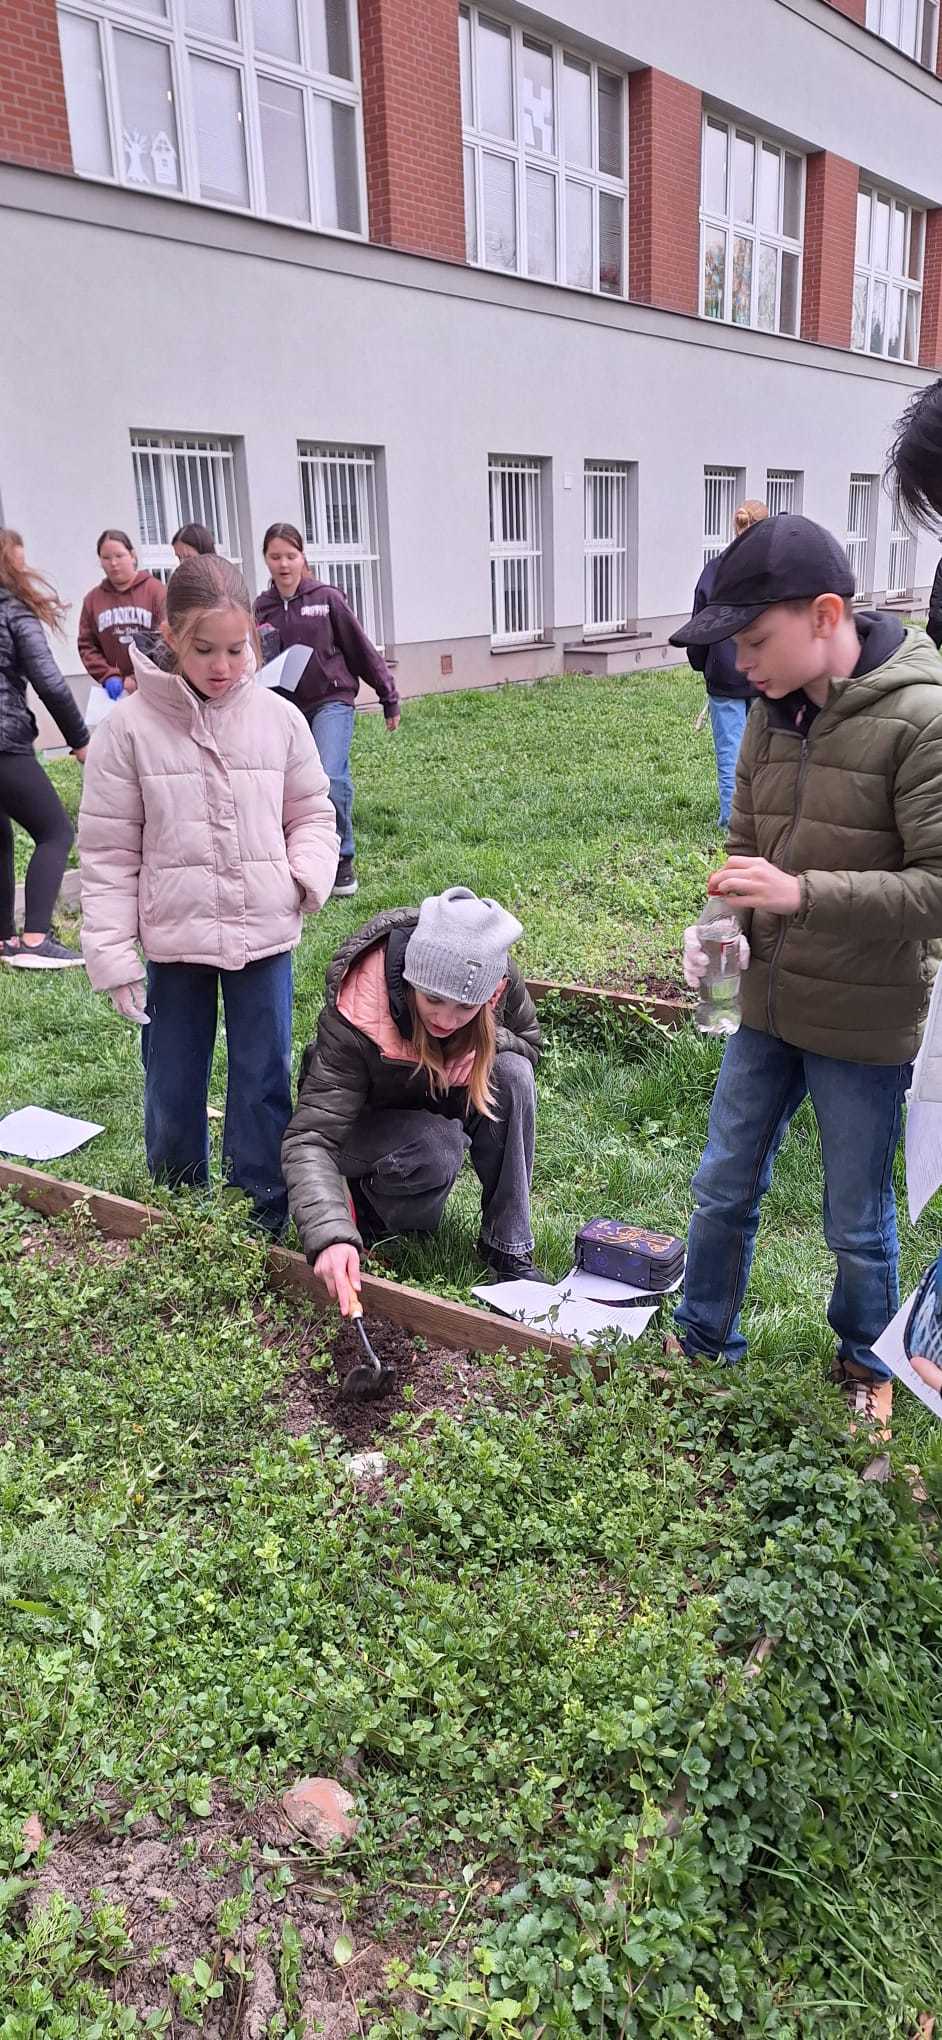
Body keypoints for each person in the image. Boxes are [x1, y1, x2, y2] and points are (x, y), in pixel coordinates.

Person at [668, 512, 942, 1433]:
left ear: (826, 615)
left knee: (855, 1219)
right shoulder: (770, 719)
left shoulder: (921, 717)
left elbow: (938, 890)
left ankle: (866, 1363)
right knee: (721, 1183)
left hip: (864, 1024)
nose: (740, 664)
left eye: (754, 640)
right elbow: (745, 850)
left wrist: (802, 894)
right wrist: (722, 923)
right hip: (766, 1007)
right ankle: (700, 1339)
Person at [77, 554, 339, 1234]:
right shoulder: (127, 730)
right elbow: (108, 852)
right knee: (172, 1078)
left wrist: (303, 875)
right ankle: (176, 1205)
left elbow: (313, 810)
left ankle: (262, 1208)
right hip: (175, 936)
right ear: (170, 634)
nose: (222, 666)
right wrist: (110, 952)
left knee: (263, 1076)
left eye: (235, 649)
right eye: (203, 650)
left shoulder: (277, 719)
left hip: (264, 932)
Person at [281, 887, 544, 1308]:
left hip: (435, 1107)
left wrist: (487, 1047)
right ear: (410, 981)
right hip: (365, 1127)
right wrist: (329, 1234)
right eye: (433, 999)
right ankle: (369, 1211)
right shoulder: (360, 1008)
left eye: (465, 1008)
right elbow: (311, 1138)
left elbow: (531, 1047)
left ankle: (507, 1248)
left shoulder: (499, 981)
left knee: (513, 1073)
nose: (446, 1019)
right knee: (435, 1148)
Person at [255, 522, 400, 899]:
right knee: (288, 786)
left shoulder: (327, 599)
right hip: (285, 708)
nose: (284, 564)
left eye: (291, 555)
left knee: (329, 776)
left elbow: (361, 648)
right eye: (275, 557)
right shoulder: (261, 607)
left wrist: (388, 696)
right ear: (266, 561)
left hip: (331, 700)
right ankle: (301, 858)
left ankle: (342, 859)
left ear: (303, 557)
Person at [0, 528, 88, 968]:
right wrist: (80, 740)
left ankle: (3, 940)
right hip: (4, 742)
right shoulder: (13, 611)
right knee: (55, 831)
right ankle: (35, 939)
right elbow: (50, 681)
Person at [687, 501, 768, 830]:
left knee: (730, 750)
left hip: (723, 672)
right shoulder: (772, 572)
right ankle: (762, 817)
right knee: (764, 748)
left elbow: (699, 625)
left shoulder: (714, 570)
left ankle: (732, 821)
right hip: (766, 672)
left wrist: (702, 663)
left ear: (735, 528)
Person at [77, 531, 166, 696]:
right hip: (116, 692)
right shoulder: (93, 600)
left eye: (119, 555)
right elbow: (87, 645)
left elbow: (167, 638)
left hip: (154, 686)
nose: (113, 563)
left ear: (132, 555)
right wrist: (107, 675)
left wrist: (138, 676)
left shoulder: (156, 591)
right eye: (106, 558)